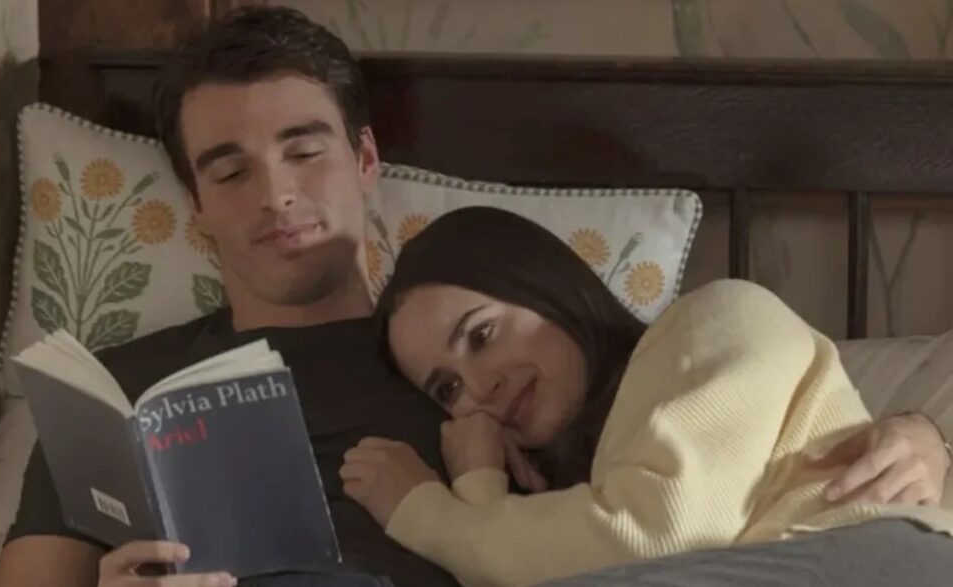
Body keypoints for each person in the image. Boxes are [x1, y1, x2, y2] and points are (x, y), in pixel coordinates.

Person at [0, 6, 950, 587]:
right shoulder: (120, 385)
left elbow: (712, 474)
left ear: (366, 161)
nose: (276, 195)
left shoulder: (494, 371)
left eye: (305, 150)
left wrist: (926, 440)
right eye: (230, 171)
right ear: (194, 206)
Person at [341, 206, 953, 587]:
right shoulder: (570, 505)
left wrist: (428, 513)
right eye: (448, 388)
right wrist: (480, 485)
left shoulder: (720, 318)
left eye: (482, 335)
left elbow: (653, 538)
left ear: (545, 287)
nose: (480, 390)